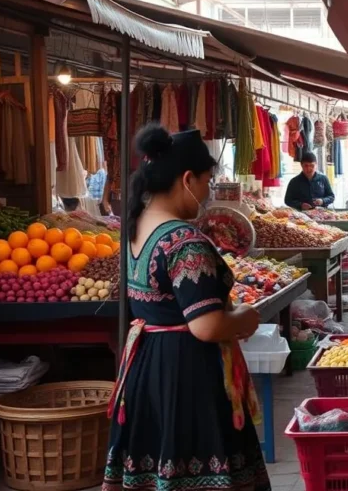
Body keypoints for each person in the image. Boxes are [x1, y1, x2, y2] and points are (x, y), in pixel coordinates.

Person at [103, 125, 269, 491]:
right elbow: (206, 326)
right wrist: (244, 317)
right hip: (186, 373)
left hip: (147, 367)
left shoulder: (136, 227)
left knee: (159, 468)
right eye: (208, 182)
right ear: (188, 178)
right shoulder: (184, 240)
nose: (208, 192)